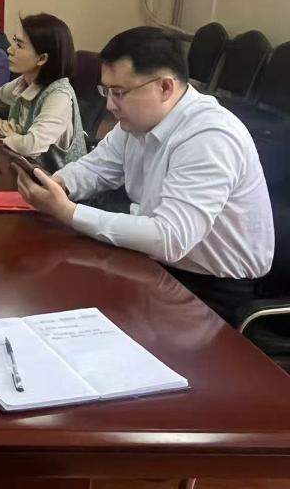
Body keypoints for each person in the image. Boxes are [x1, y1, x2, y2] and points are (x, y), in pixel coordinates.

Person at [16, 26, 274, 325]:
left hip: (211, 292)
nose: (109, 104)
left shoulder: (209, 135)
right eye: (106, 91)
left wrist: (68, 212)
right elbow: (96, 167)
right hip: (155, 263)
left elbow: (170, 238)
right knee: (52, 295)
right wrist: (57, 183)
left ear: (165, 88)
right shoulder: (137, 121)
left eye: (119, 93)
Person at [0, 13, 87, 170]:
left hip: (56, 180)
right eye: (14, 41)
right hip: (24, 168)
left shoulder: (59, 95)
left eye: (19, 45)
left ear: (42, 58)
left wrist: (10, 136)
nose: (9, 49)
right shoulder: (24, 81)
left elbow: (31, 146)